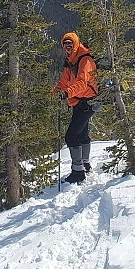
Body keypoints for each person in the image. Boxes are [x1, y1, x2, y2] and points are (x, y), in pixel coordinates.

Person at [52, 32, 97, 184]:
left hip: (88, 102)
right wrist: (54, 93)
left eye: (70, 45)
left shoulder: (85, 60)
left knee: (71, 137)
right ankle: (85, 164)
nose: (68, 48)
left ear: (76, 44)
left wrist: (67, 93)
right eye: (65, 45)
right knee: (82, 134)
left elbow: (82, 83)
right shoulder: (70, 61)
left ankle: (78, 173)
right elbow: (63, 82)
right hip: (78, 102)